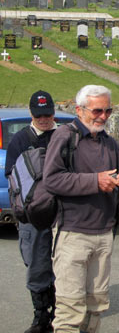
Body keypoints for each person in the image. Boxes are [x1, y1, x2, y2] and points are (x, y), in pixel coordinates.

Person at [43, 85, 119, 333]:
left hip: (104, 233)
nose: (104, 116)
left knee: (96, 305)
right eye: (98, 110)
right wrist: (95, 181)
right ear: (79, 110)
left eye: (108, 110)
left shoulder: (109, 142)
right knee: (70, 307)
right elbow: (51, 180)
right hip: (73, 233)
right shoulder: (64, 136)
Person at [5, 91, 58, 333]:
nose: (44, 119)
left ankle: (60, 314)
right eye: (39, 116)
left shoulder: (63, 136)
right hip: (31, 216)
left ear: (54, 112)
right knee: (36, 265)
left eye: (47, 114)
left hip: (61, 214)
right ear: (31, 114)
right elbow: (12, 178)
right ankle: (40, 316)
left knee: (61, 266)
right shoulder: (20, 140)